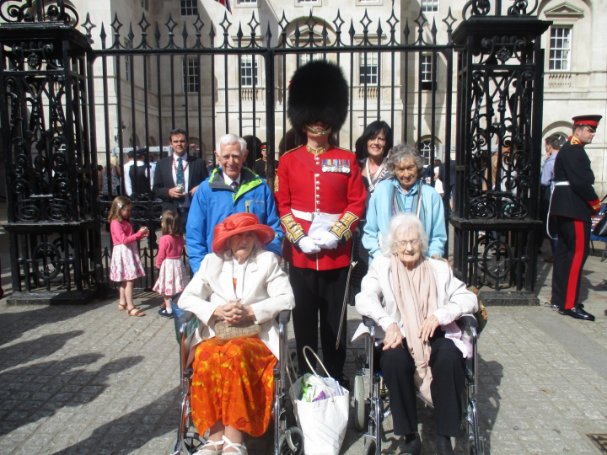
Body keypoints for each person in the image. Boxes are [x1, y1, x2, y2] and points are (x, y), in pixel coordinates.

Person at [275, 60, 366, 384]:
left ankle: (336, 374)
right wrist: (298, 237)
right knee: (303, 320)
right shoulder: (288, 161)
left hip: (336, 257)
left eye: (321, 117)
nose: (316, 124)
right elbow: (283, 205)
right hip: (301, 256)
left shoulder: (347, 159)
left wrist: (337, 235)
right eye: (310, 117)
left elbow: (357, 202)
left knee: (334, 321)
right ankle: (307, 375)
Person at [355, 214, 478, 455]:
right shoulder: (382, 266)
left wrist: (441, 314)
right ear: (393, 246)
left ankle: (444, 437)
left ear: (422, 243)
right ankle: (410, 435)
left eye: (414, 241)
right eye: (403, 242)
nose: (409, 247)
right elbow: (364, 298)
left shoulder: (439, 269)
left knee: (450, 357)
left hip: (436, 333)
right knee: (393, 359)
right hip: (397, 334)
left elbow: (468, 298)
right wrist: (387, 323)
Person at [178, 213, 295, 455]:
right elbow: (186, 298)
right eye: (236, 236)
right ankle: (215, 436)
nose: (242, 240)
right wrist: (216, 310)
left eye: (248, 235)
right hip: (216, 333)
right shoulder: (212, 262)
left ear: (255, 238)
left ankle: (234, 438)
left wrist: (252, 311)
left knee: (235, 353)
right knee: (207, 355)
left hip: (256, 337)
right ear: (227, 241)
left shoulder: (267, 262)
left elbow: (287, 298)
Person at [186, 133, 283, 274]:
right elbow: (195, 234)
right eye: (226, 156)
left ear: (244, 155)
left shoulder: (260, 187)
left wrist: (273, 256)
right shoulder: (205, 190)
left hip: (255, 269)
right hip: (216, 268)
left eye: (236, 156)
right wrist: (201, 270)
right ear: (217, 156)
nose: (231, 161)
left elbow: (274, 227)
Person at [548, 115, 603, 321]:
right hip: (574, 209)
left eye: (593, 130)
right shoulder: (575, 151)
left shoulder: (568, 149)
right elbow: (581, 182)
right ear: (578, 130)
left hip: (563, 208)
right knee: (577, 255)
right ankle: (569, 304)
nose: (592, 134)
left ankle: (559, 298)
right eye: (589, 130)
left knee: (563, 255)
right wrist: (595, 203)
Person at [362, 144, 447, 260]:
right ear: (394, 170)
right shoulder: (381, 190)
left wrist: (434, 255)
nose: (406, 174)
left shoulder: (431, 195)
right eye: (401, 169)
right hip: (386, 262)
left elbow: (438, 235)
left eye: (410, 167)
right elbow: (370, 231)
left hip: (421, 262)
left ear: (417, 167)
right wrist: (378, 257)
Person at [153, 128, 208, 225]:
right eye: (176, 141)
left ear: (187, 143)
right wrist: (168, 192)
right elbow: (156, 189)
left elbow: (208, 183)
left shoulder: (198, 163)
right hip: (171, 212)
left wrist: (200, 187)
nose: (179, 144)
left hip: (193, 210)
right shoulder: (162, 164)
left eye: (182, 141)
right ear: (171, 144)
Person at [108, 196, 149, 317]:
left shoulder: (124, 222)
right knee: (129, 279)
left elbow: (130, 237)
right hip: (123, 251)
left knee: (125, 279)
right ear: (119, 209)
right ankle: (130, 307)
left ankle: (122, 302)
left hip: (127, 250)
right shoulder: (115, 223)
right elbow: (123, 239)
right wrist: (138, 234)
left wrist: (140, 235)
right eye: (127, 210)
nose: (129, 212)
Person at [153, 210, 187, 319]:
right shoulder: (180, 238)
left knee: (167, 289)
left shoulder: (164, 239)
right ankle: (179, 306)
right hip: (178, 263)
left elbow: (161, 254)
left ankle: (169, 310)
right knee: (178, 287)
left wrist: (158, 264)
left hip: (168, 265)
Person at [540, 134, 563, 259]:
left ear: (550, 145)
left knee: (552, 225)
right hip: (563, 195)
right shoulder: (564, 157)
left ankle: (555, 253)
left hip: (552, 193)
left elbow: (544, 181)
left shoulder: (551, 161)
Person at [355, 120, 393, 193]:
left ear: (387, 143)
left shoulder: (393, 168)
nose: (376, 143)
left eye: (381, 139)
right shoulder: (357, 166)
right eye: (372, 138)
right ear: (366, 141)